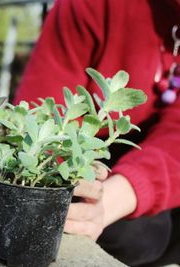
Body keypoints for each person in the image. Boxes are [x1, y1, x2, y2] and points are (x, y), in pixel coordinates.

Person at [13, 0, 180, 266]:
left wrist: (117, 198)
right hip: (86, 158)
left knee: (149, 233)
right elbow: (43, 108)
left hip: (156, 167)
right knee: (135, 236)